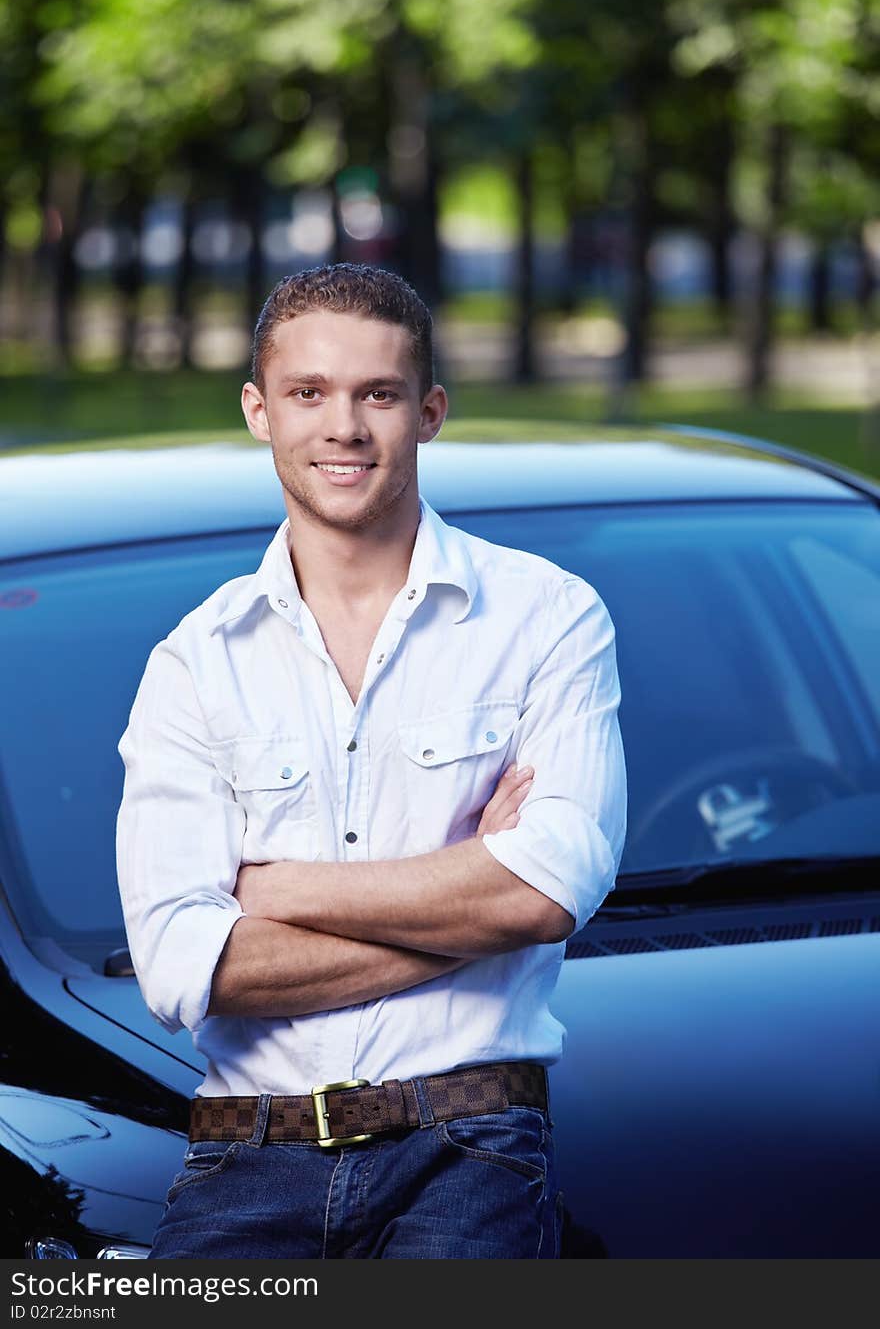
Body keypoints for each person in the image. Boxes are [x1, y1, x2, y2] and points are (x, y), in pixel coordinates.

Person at [116, 262, 627, 1260]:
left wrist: (279, 889)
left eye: (377, 393)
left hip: (468, 1145)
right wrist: (467, 909)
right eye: (309, 393)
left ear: (429, 411)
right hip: (241, 1155)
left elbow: (547, 888)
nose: (342, 427)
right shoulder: (195, 662)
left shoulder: (547, 618)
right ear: (259, 411)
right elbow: (185, 962)